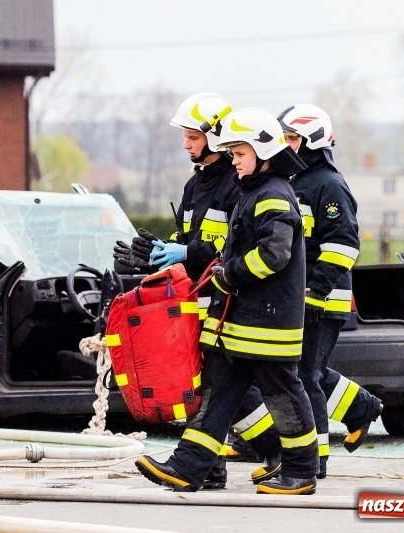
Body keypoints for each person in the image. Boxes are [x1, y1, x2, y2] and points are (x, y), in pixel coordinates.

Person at [134, 107, 319, 495]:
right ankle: (188, 467)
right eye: (232, 153)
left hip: (266, 325)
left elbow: (274, 255)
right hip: (237, 323)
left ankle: (301, 471)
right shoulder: (254, 193)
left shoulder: (273, 195)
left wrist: (228, 273)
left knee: (283, 396)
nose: (233, 160)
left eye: (239, 153)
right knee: (215, 396)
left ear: (263, 153)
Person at [113, 93, 282, 489]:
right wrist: (154, 254)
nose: (186, 144)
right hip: (197, 300)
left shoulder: (237, 184)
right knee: (216, 384)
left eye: (192, 135)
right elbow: (188, 241)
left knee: (220, 384)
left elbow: (232, 247)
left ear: (215, 135)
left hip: (227, 299)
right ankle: (220, 466)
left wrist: (185, 251)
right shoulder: (195, 186)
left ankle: (219, 463)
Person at [277, 104, 384, 478]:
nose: (284, 145)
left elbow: (344, 245)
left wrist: (312, 290)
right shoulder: (294, 182)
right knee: (304, 371)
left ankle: (315, 459)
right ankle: (361, 408)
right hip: (301, 297)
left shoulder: (328, 184)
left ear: (312, 141)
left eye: (291, 138)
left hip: (321, 300)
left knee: (305, 377)